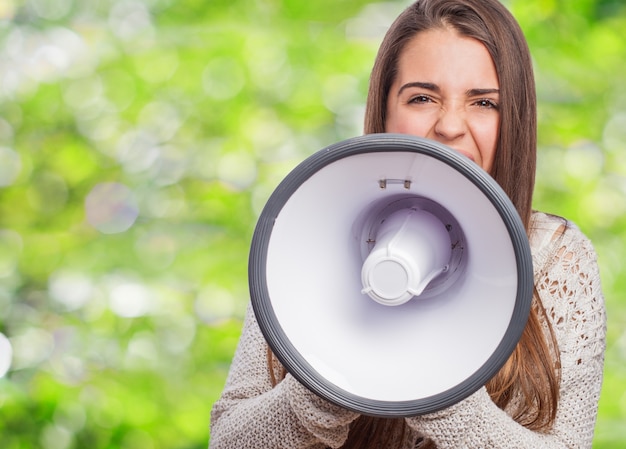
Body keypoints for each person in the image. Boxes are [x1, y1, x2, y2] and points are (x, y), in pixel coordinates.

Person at [209, 0, 607, 447]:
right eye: (422, 98)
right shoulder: (307, 226)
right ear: (384, 111)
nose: (450, 126)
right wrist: (323, 387)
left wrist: (447, 398)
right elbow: (229, 440)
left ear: (513, 119)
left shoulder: (557, 257)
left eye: (483, 102)